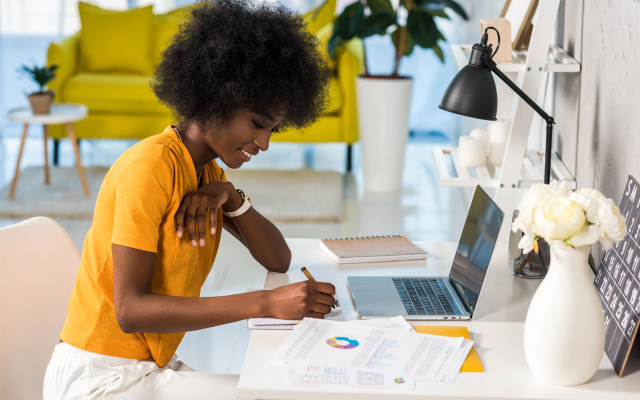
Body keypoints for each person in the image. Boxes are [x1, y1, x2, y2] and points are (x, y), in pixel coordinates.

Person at [43, 0, 333, 398]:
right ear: (216, 98)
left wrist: (230, 196)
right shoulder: (150, 167)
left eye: (274, 131)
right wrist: (264, 304)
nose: (264, 143)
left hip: (146, 369)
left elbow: (277, 259)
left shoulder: (207, 171)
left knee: (285, 389)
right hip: (100, 378)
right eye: (258, 124)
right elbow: (131, 311)